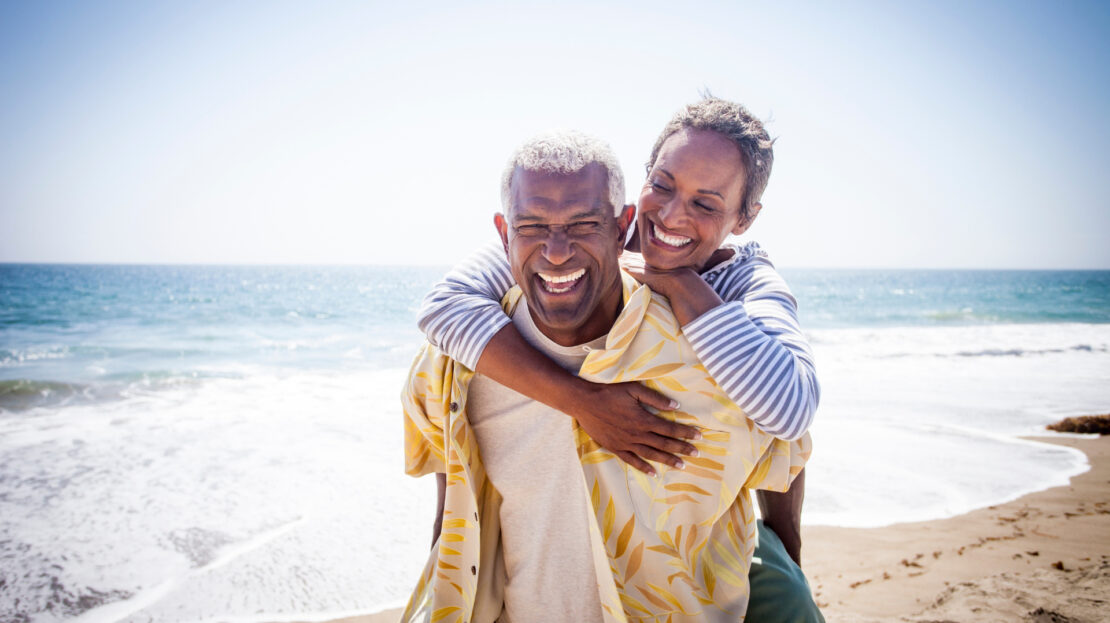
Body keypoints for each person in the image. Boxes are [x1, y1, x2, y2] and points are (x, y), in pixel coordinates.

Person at [417, 98, 821, 621]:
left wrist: (676, 281)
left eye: (706, 204)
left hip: (716, 526)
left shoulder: (745, 284)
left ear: (744, 218)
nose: (673, 215)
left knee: (785, 594)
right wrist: (582, 401)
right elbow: (444, 307)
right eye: (664, 185)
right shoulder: (590, 235)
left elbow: (788, 412)